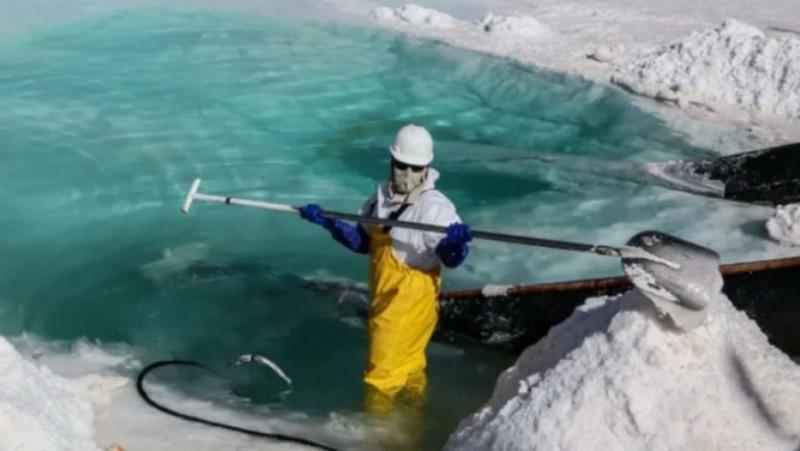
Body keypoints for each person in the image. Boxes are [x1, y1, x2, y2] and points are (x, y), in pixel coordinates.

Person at [298, 124, 473, 415]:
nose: (406, 175)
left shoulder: (435, 209)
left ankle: (379, 434)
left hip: (410, 302)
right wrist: (329, 223)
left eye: (414, 169)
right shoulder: (379, 198)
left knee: (380, 375)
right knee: (410, 368)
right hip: (385, 296)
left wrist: (456, 245)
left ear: (426, 169)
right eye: (401, 166)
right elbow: (364, 243)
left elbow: (449, 259)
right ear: (391, 162)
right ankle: (415, 422)